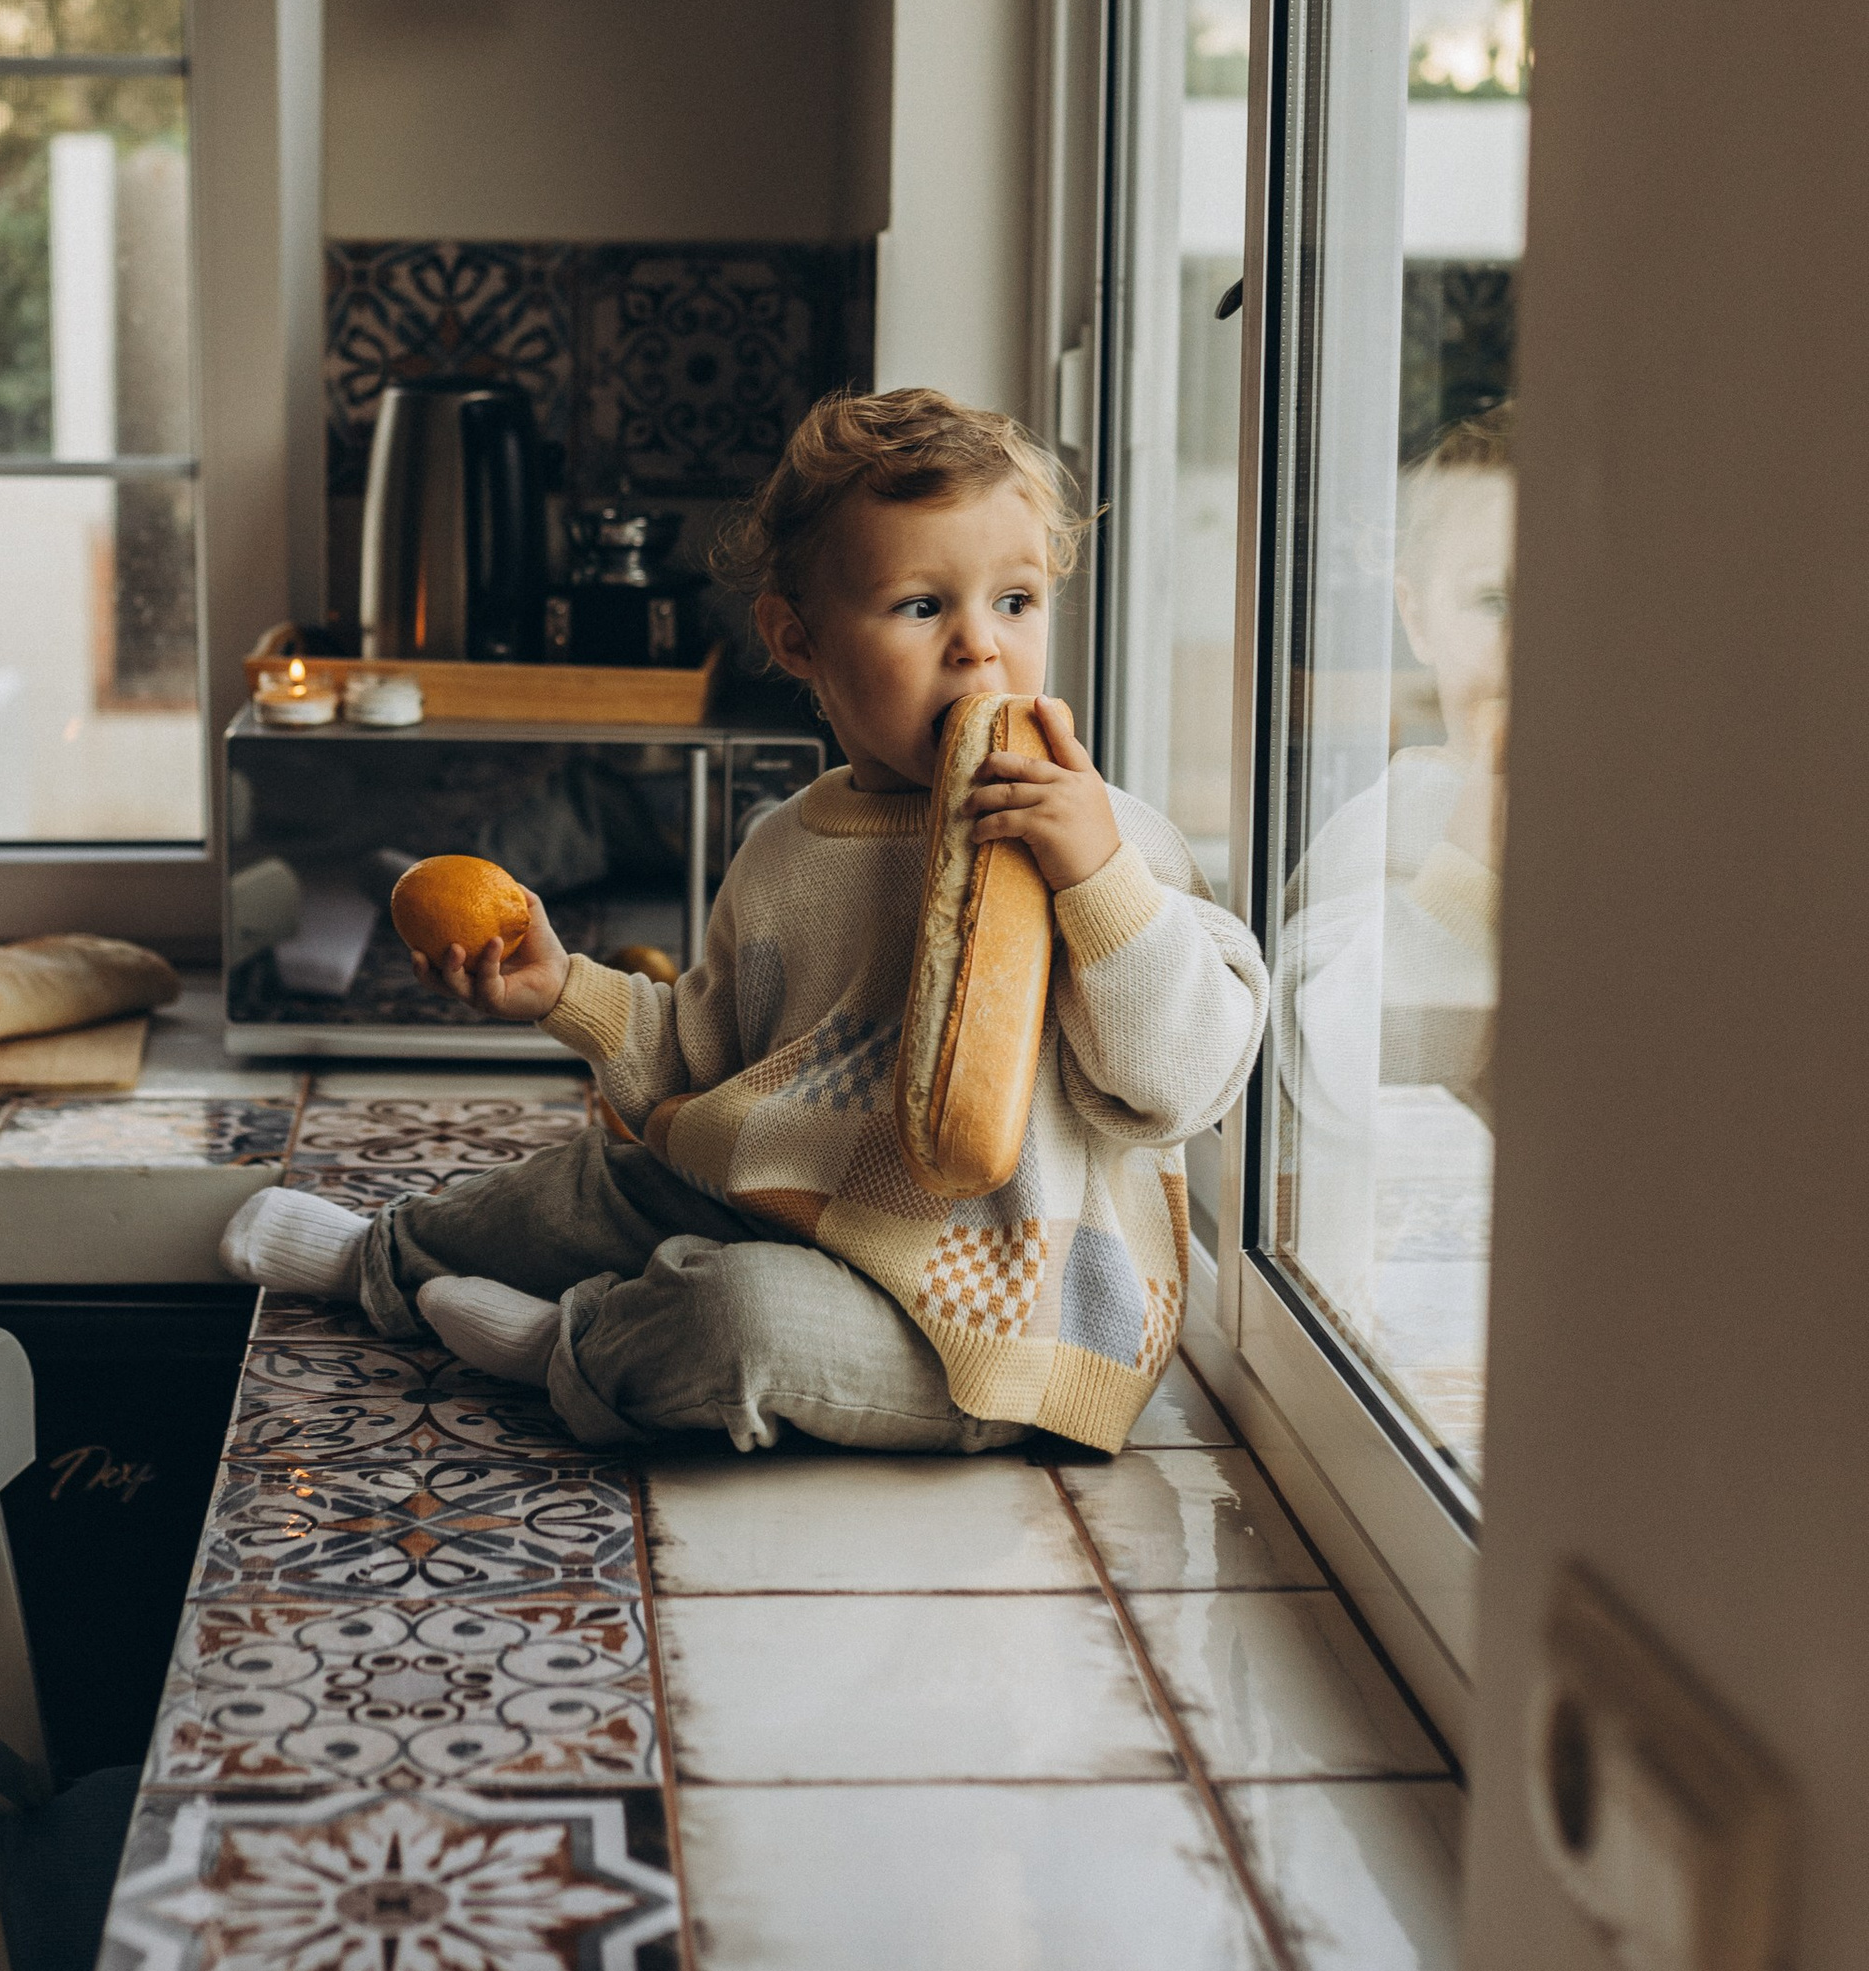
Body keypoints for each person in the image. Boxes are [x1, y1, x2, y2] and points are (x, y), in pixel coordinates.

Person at [220, 387, 1267, 1461]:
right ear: (796, 639)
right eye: (920, 607)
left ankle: (567, 1350)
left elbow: (1184, 1076)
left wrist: (1097, 878)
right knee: (605, 1180)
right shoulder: (785, 848)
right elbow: (706, 1053)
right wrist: (564, 990)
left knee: (738, 1320)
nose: (978, 650)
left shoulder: (1109, 845)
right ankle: (380, 1258)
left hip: (994, 1329)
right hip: (795, 1204)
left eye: (1015, 601)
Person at [1272, 404, 1513, 1364]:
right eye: (1494, 602)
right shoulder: (1389, 826)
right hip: (1416, 1317)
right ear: (1416, 615)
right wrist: (1464, 877)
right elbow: (1337, 1059)